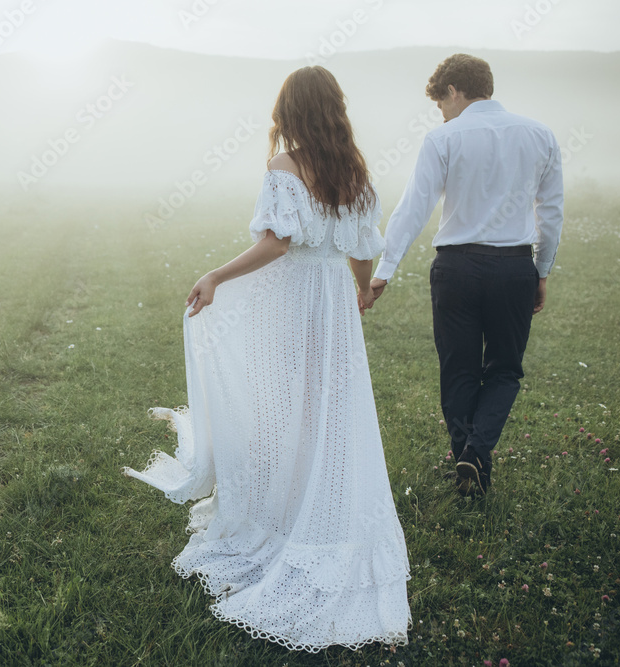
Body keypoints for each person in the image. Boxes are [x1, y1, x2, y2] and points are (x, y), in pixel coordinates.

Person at [120, 66, 411, 653]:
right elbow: (361, 249)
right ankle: (313, 499)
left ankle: (284, 513)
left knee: (283, 405)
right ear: (335, 108)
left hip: (295, 301)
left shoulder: (286, 167)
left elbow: (277, 242)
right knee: (325, 407)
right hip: (331, 303)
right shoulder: (355, 173)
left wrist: (216, 275)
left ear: (291, 112)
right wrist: (361, 291)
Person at [369, 53, 564, 497]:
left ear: (454, 91)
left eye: (441, 103)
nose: (442, 112)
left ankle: (470, 463)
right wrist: (542, 269)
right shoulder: (540, 135)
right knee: (504, 371)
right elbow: (550, 212)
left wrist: (386, 269)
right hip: (515, 266)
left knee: (457, 369)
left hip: (456, 268)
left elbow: (414, 207)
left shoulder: (444, 138)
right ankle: (476, 457)